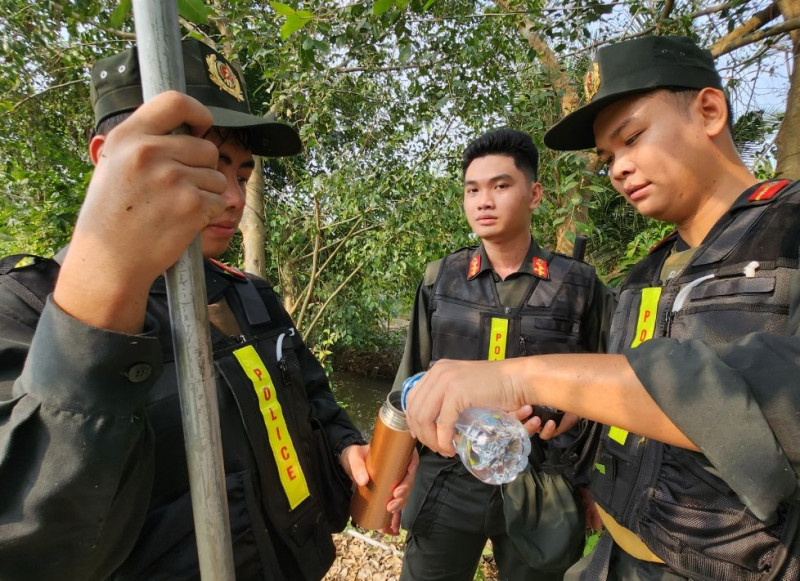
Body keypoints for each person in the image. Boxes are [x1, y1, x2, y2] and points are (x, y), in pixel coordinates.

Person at [0, 39, 413, 580]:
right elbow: (32, 546)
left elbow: (311, 397)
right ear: (109, 159)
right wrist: (103, 291)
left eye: (241, 175)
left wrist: (344, 449)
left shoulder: (248, 295)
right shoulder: (29, 312)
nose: (234, 198)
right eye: (208, 165)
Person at [403, 35, 800, 580]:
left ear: (708, 110)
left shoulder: (789, 232)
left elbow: (767, 400)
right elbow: (628, 417)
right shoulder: (645, 277)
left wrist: (529, 379)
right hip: (607, 557)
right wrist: (582, 413)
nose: (617, 169)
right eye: (609, 156)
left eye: (632, 137)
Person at [394, 128, 612, 581]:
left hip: (543, 480)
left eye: (500, 185)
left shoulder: (578, 285)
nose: (483, 201)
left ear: (533, 194)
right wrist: (396, 472)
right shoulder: (442, 279)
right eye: (472, 190)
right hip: (447, 475)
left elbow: (608, 389)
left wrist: (595, 483)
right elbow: (409, 382)